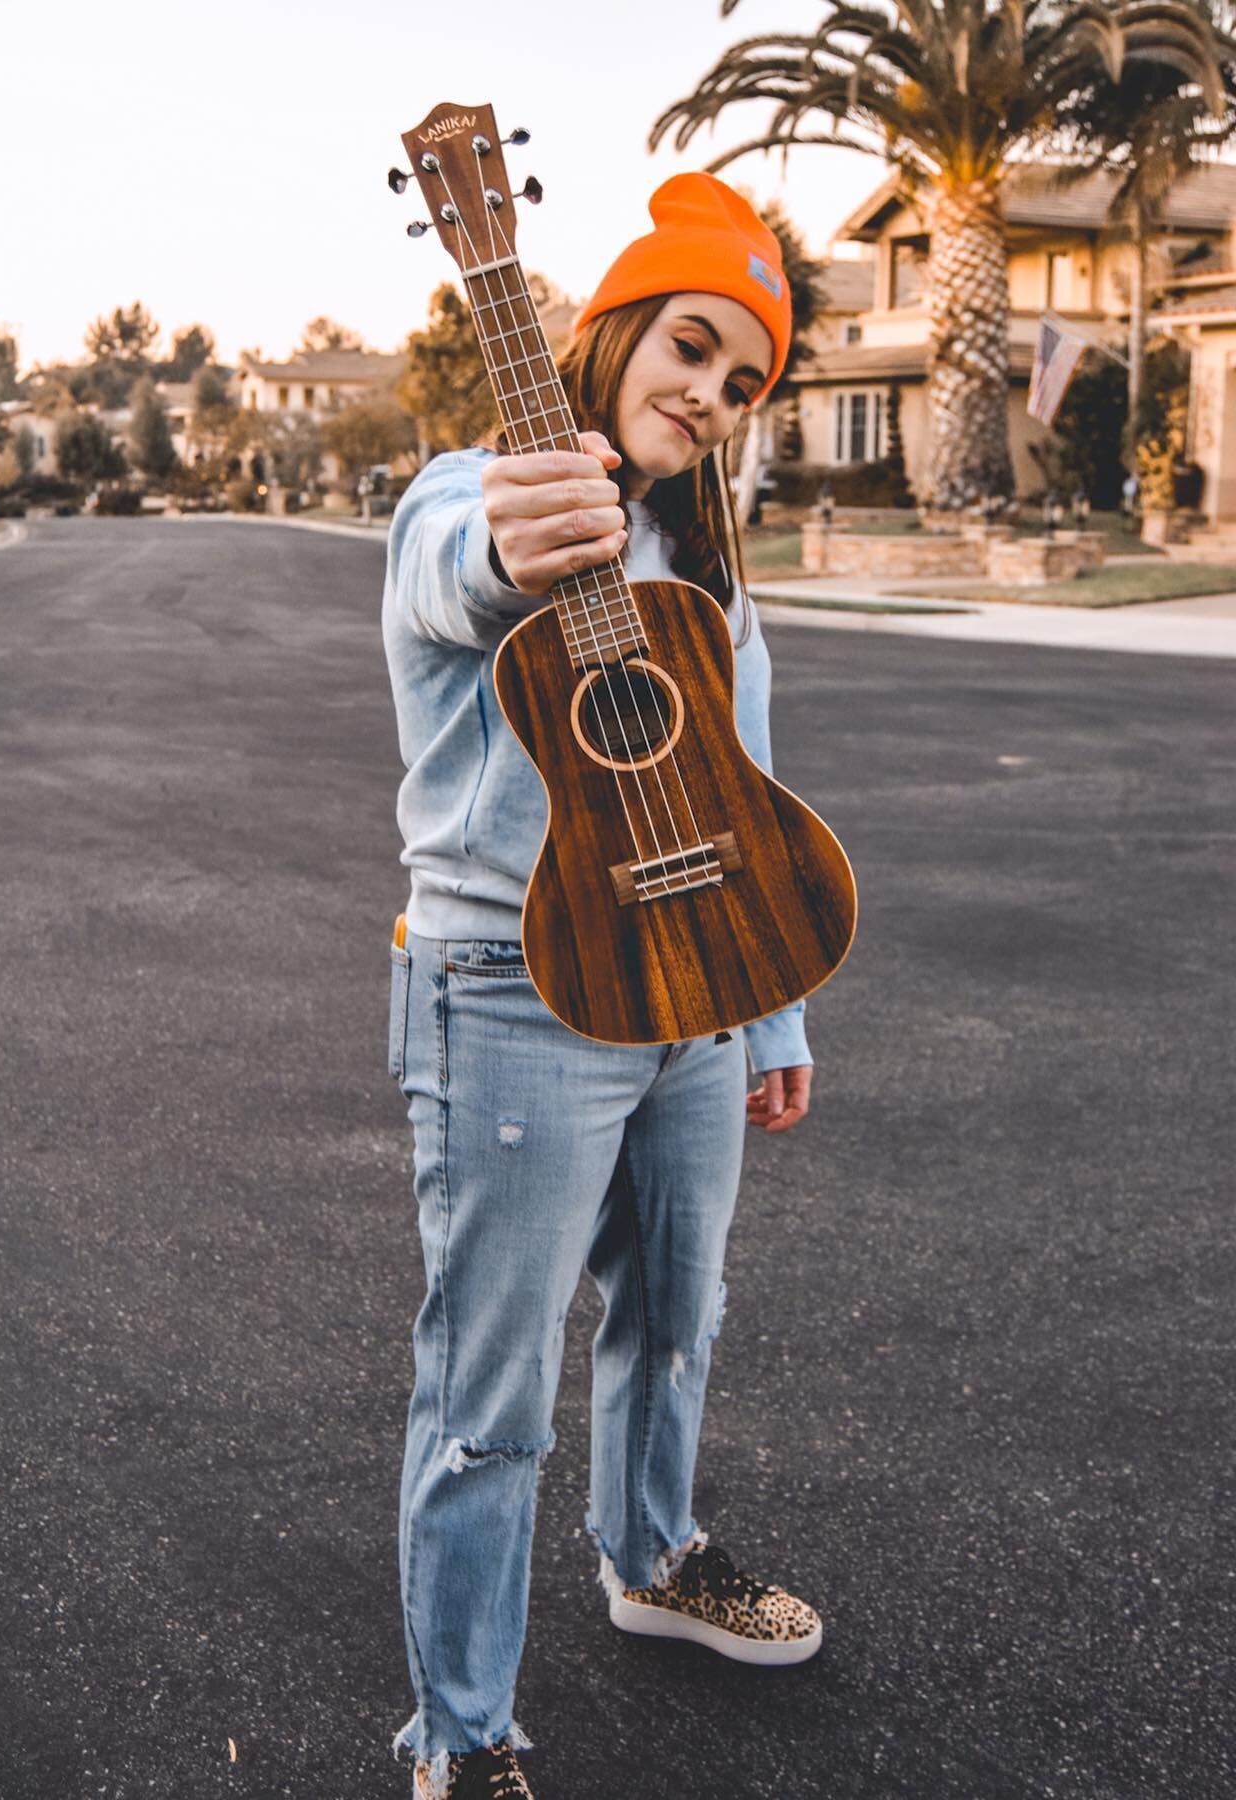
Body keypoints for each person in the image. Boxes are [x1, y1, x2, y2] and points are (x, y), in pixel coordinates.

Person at [381, 174, 824, 1800]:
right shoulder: (468, 491)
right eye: (692, 346)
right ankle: (464, 1736)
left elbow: (745, 779)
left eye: (742, 382)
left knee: (677, 1314)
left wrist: (771, 1010)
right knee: (491, 1392)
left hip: (698, 988)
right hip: (514, 988)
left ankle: (653, 1557)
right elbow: (457, 569)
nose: (706, 394)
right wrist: (513, 538)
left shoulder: (708, 564)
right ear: (620, 326)